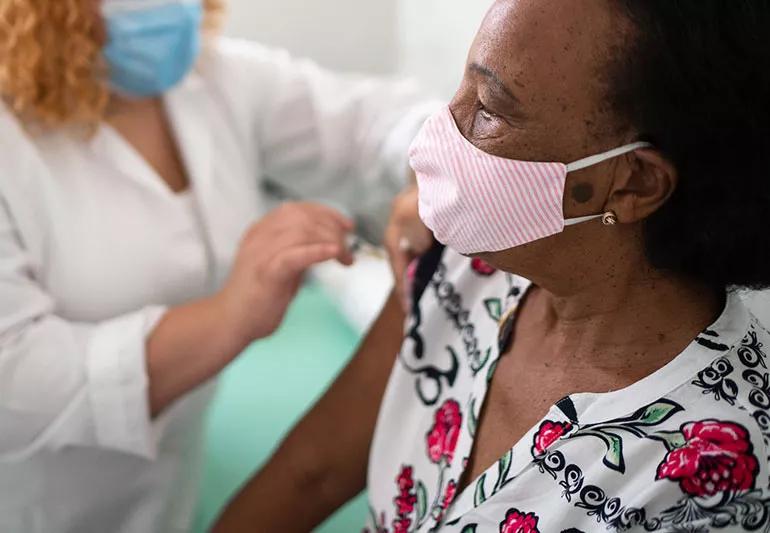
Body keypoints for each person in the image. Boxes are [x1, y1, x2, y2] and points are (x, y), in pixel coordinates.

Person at [215, 0, 770, 531]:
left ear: (634, 182)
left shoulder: (715, 474)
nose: (440, 130)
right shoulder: (464, 267)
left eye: (489, 110)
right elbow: (312, 472)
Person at [0, 0, 434, 531]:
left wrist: (450, 164)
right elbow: (14, 381)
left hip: (171, 490)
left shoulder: (217, 78)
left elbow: (375, 123)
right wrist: (229, 315)